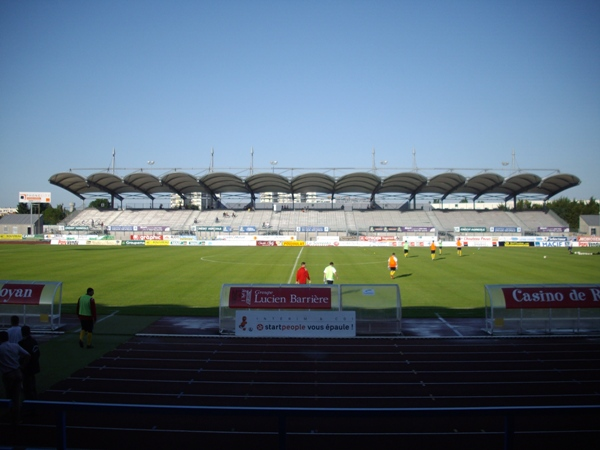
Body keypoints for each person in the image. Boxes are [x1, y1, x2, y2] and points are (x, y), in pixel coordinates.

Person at [0, 330, 30, 424]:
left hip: (7, 374)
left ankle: (10, 416)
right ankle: (16, 418)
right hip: (17, 372)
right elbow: (27, 355)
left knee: (9, 396)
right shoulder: (15, 346)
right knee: (17, 397)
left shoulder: (1, 348)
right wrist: (22, 366)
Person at [18, 326, 40, 407]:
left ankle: (30, 406)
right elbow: (37, 354)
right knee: (32, 386)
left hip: (27, 368)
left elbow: (24, 356)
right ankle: (35, 402)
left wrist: (22, 366)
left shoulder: (22, 343)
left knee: (27, 388)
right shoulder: (34, 341)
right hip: (34, 367)